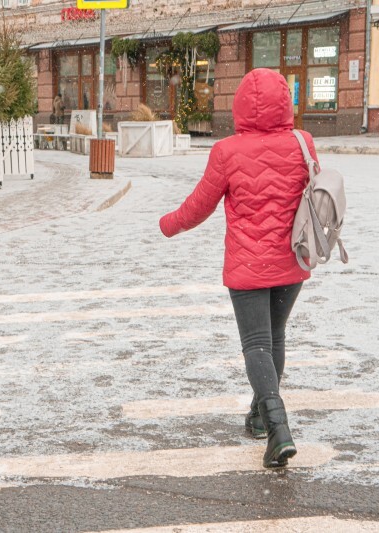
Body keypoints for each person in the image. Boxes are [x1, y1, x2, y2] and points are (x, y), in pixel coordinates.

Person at [159, 68, 318, 469]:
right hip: (292, 258)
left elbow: (199, 205)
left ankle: (279, 430)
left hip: (248, 265)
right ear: (286, 102)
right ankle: (259, 418)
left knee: (257, 344)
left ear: (241, 105)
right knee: (274, 337)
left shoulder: (228, 151)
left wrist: (169, 224)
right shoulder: (303, 142)